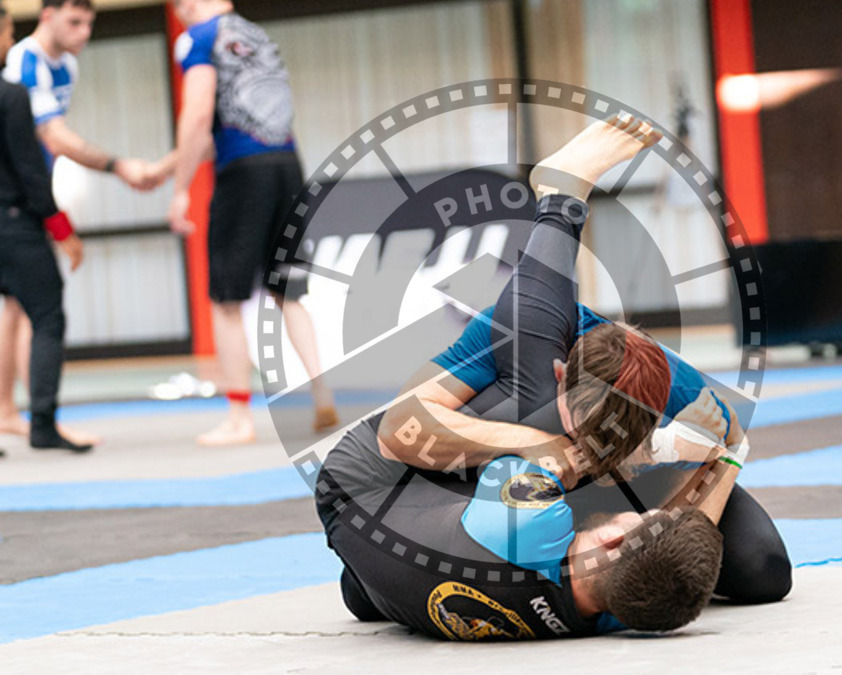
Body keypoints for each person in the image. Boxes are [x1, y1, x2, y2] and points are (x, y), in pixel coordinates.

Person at [316, 117, 786, 639]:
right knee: (763, 568)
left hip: (369, 483)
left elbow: (401, 432)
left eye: (648, 516)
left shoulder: (530, 527)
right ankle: (368, 586)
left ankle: (561, 201)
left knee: (544, 397)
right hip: (425, 542)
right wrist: (724, 457)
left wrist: (661, 445)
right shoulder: (624, 602)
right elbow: (680, 541)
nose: (656, 509)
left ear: (611, 541)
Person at [166, 0, 337, 446]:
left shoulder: (197, 38)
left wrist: (180, 189)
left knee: (225, 297)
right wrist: (174, 163)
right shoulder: (257, 34)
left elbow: (199, 113)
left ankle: (239, 417)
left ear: (188, 0)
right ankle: (322, 392)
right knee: (287, 289)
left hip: (243, 174)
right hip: (286, 164)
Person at [1, 0, 166, 444]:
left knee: (18, 305)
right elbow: (51, 137)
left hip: (28, 194)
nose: (84, 34)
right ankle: (27, 415)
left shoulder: (65, 66)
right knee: (37, 309)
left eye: (89, 24)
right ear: (48, 16)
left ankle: (10, 410)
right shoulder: (22, 62)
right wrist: (117, 167)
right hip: (20, 196)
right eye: (74, 23)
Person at [0, 3, 89, 453]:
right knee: (48, 317)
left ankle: (6, 413)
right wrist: (62, 228)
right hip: (14, 223)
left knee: (12, 312)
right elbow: (31, 171)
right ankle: (44, 423)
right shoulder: (11, 94)